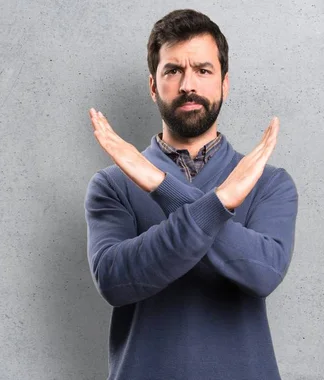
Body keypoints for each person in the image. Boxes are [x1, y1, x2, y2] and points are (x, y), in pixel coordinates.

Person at [84, 9, 298, 380]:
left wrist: (158, 185)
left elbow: (263, 273)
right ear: (154, 86)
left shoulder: (268, 182)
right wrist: (218, 204)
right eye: (173, 71)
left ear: (224, 83)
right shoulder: (112, 185)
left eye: (202, 70)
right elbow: (115, 281)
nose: (188, 85)